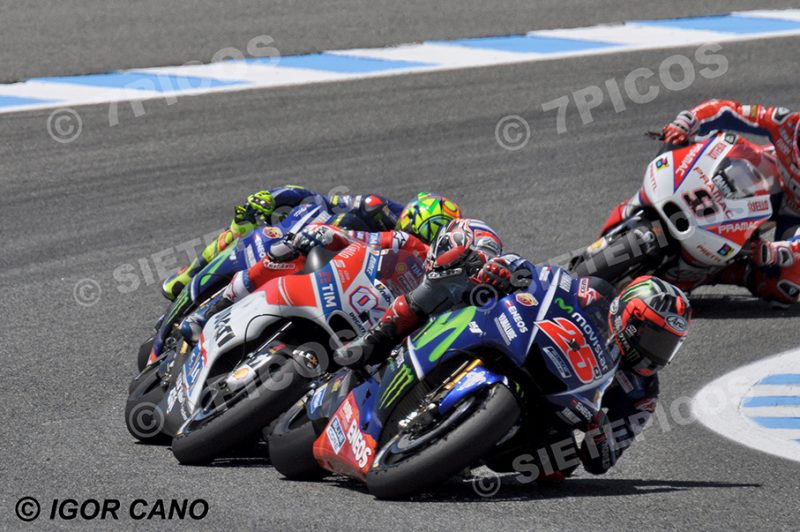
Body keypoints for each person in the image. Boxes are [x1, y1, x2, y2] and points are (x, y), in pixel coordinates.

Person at [179, 193, 462, 341]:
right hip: (337, 276)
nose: (428, 243)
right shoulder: (399, 234)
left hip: (370, 311)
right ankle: (214, 307)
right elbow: (362, 235)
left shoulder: (439, 273)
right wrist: (327, 233)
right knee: (288, 248)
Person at [161, 185, 421, 300]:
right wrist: (273, 197)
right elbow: (316, 198)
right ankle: (191, 273)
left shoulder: (416, 260)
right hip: (290, 242)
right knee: (244, 223)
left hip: (326, 278)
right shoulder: (377, 208)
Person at [333, 217, 527, 368]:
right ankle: (370, 340)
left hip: (468, 343)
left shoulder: (496, 274)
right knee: (416, 301)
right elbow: (363, 239)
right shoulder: (415, 251)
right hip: (384, 319)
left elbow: (525, 270)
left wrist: (505, 269)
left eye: (486, 257)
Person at [661, 100, 800, 306]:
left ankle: (723, 272)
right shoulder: (786, 122)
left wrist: (782, 251)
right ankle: (654, 195)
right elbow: (728, 111)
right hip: (771, 174)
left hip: (794, 218)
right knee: (705, 146)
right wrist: (688, 121)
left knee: (786, 287)